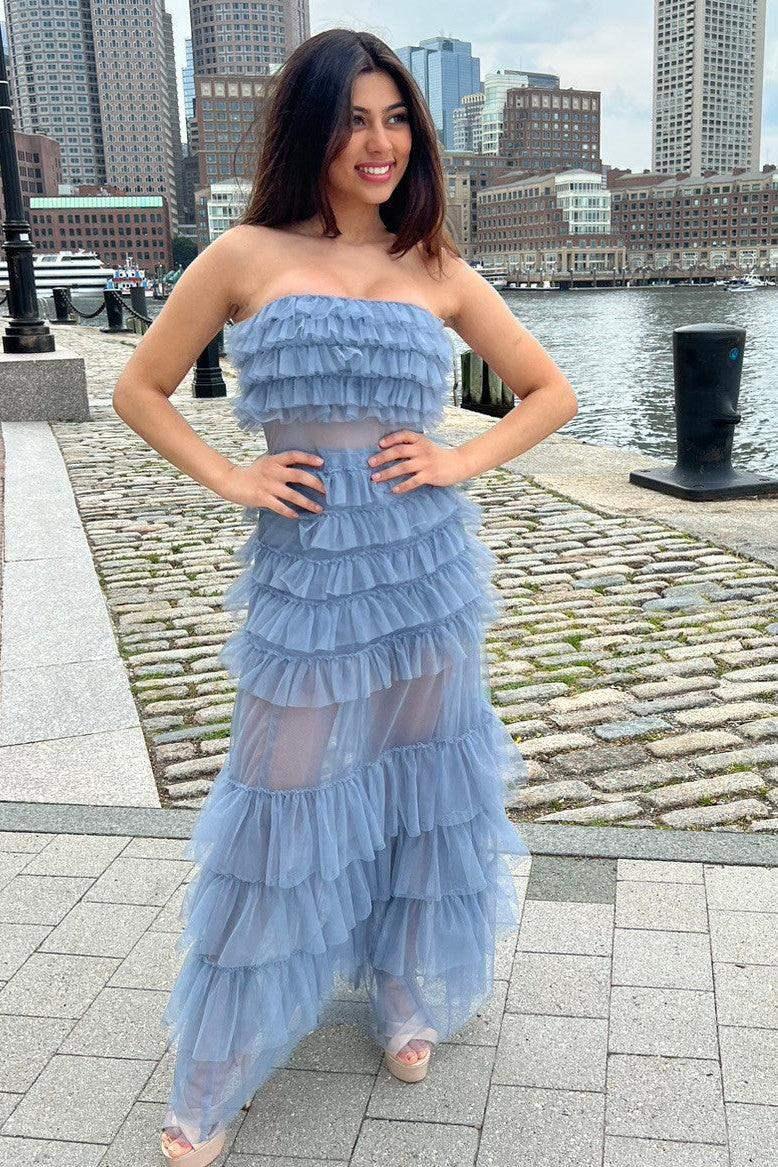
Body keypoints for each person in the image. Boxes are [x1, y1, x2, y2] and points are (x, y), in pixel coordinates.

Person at [112, 27, 578, 1166]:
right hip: (309, 578)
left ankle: (408, 989)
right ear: (310, 130)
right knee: (280, 802)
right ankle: (217, 1065)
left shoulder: (435, 263)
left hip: (423, 573)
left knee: (425, 785)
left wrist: (457, 460)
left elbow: (547, 392)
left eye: (396, 118)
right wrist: (234, 476)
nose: (380, 142)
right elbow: (141, 387)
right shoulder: (243, 254)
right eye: (354, 119)